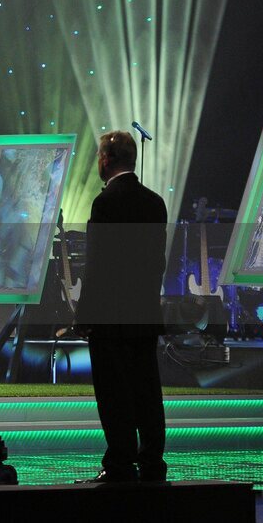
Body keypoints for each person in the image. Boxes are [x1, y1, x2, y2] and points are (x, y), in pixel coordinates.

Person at [76, 131, 169, 483]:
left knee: (114, 391)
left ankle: (119, 462)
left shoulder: (105, 202)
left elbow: (98, 264)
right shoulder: (155, 202)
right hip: (143, 311)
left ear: (106, 159)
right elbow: (157, 262)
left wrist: (85, 313)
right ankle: (153, 461)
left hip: (110, 314)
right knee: (147, 389)